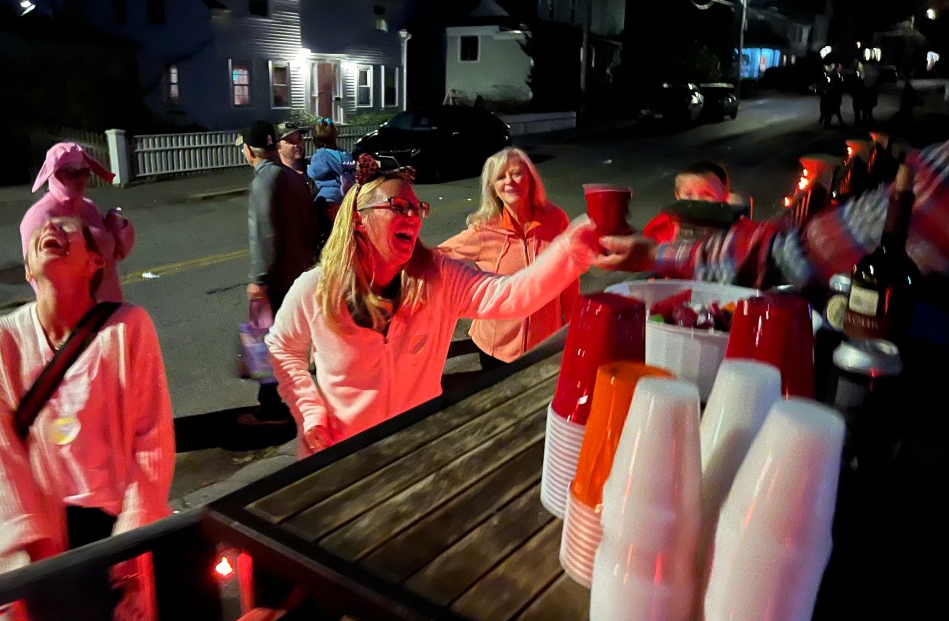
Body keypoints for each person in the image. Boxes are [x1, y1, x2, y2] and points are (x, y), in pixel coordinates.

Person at [265, 154, 610, 457]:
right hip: (341, 457)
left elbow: (512, 295)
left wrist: (573, 248)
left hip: (418, 451)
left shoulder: (439, 279)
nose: (413, 217)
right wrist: (310, 411)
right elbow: (282, 348)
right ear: (359, 218)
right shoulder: (316, 289)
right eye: (398, 207)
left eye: (417, 209)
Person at [0, 216, 175, 621]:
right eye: (42, 231)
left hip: (115, 536)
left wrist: (128, 547)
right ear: (27, 270)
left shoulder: (127, 328)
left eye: (67, 228)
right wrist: (46, 570)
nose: (52, 229)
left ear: (95, 262)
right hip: (36, 548)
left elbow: (152, 442)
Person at [596, 139, 949, 291]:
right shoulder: (665, 224)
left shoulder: (739, 224)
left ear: (725, 197)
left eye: (705, 195)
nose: (695, 203)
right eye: (687, 195)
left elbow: (794, 254)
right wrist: (654, 253)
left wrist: (657, 255)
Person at [436, 147, 577, 368]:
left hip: (545, 342)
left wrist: (572, 323)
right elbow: (437, 258)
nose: (509, 181)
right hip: (496, 349)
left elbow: (569, 277)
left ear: (530, 178)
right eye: (501, 177)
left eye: (516, 173)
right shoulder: (483, 229)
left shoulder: (555, 219)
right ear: (493, 187)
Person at [237, 120, 319, 425]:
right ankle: (291, 400)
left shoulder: (264, 180)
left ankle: (272, 408)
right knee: (289, 340)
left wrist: (258, 280)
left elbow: (264, 235)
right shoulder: (294, 178)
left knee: (265, 342)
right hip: (298, 272)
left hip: (276, 278)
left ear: (249, 150)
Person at [20, 142, 135, 302]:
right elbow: (39, 278)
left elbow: (110, 254)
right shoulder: (40, 216)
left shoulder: (90, 207)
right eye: (71, 173)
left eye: (85, 172)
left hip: (112, 304)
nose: (81, 179)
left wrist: (120, 233)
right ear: (53, 173)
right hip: (78, 312)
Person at [643, 161, 747, 244]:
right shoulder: (663, 225)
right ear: (678, 195)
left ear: (725, 195)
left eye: (707, 194)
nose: (696, 200)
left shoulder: (737, 227)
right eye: (688, 194)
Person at [307, 117, 355, 250]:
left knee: (325, 231)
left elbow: (315, 173)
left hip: (329, 198)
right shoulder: (345, 154)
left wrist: (308, 169)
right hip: (347, 197)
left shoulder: (321, 155)